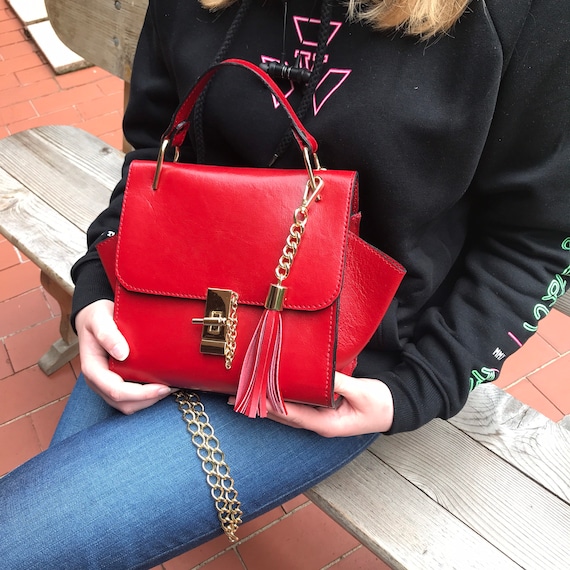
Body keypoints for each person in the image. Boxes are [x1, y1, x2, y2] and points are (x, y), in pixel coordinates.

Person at [1, 0, 569, 567]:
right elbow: (154, 147)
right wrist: (100, 279)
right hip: (163, 306)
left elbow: (538, 236)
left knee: (31, 539)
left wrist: (423, 385)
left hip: (338, 369)